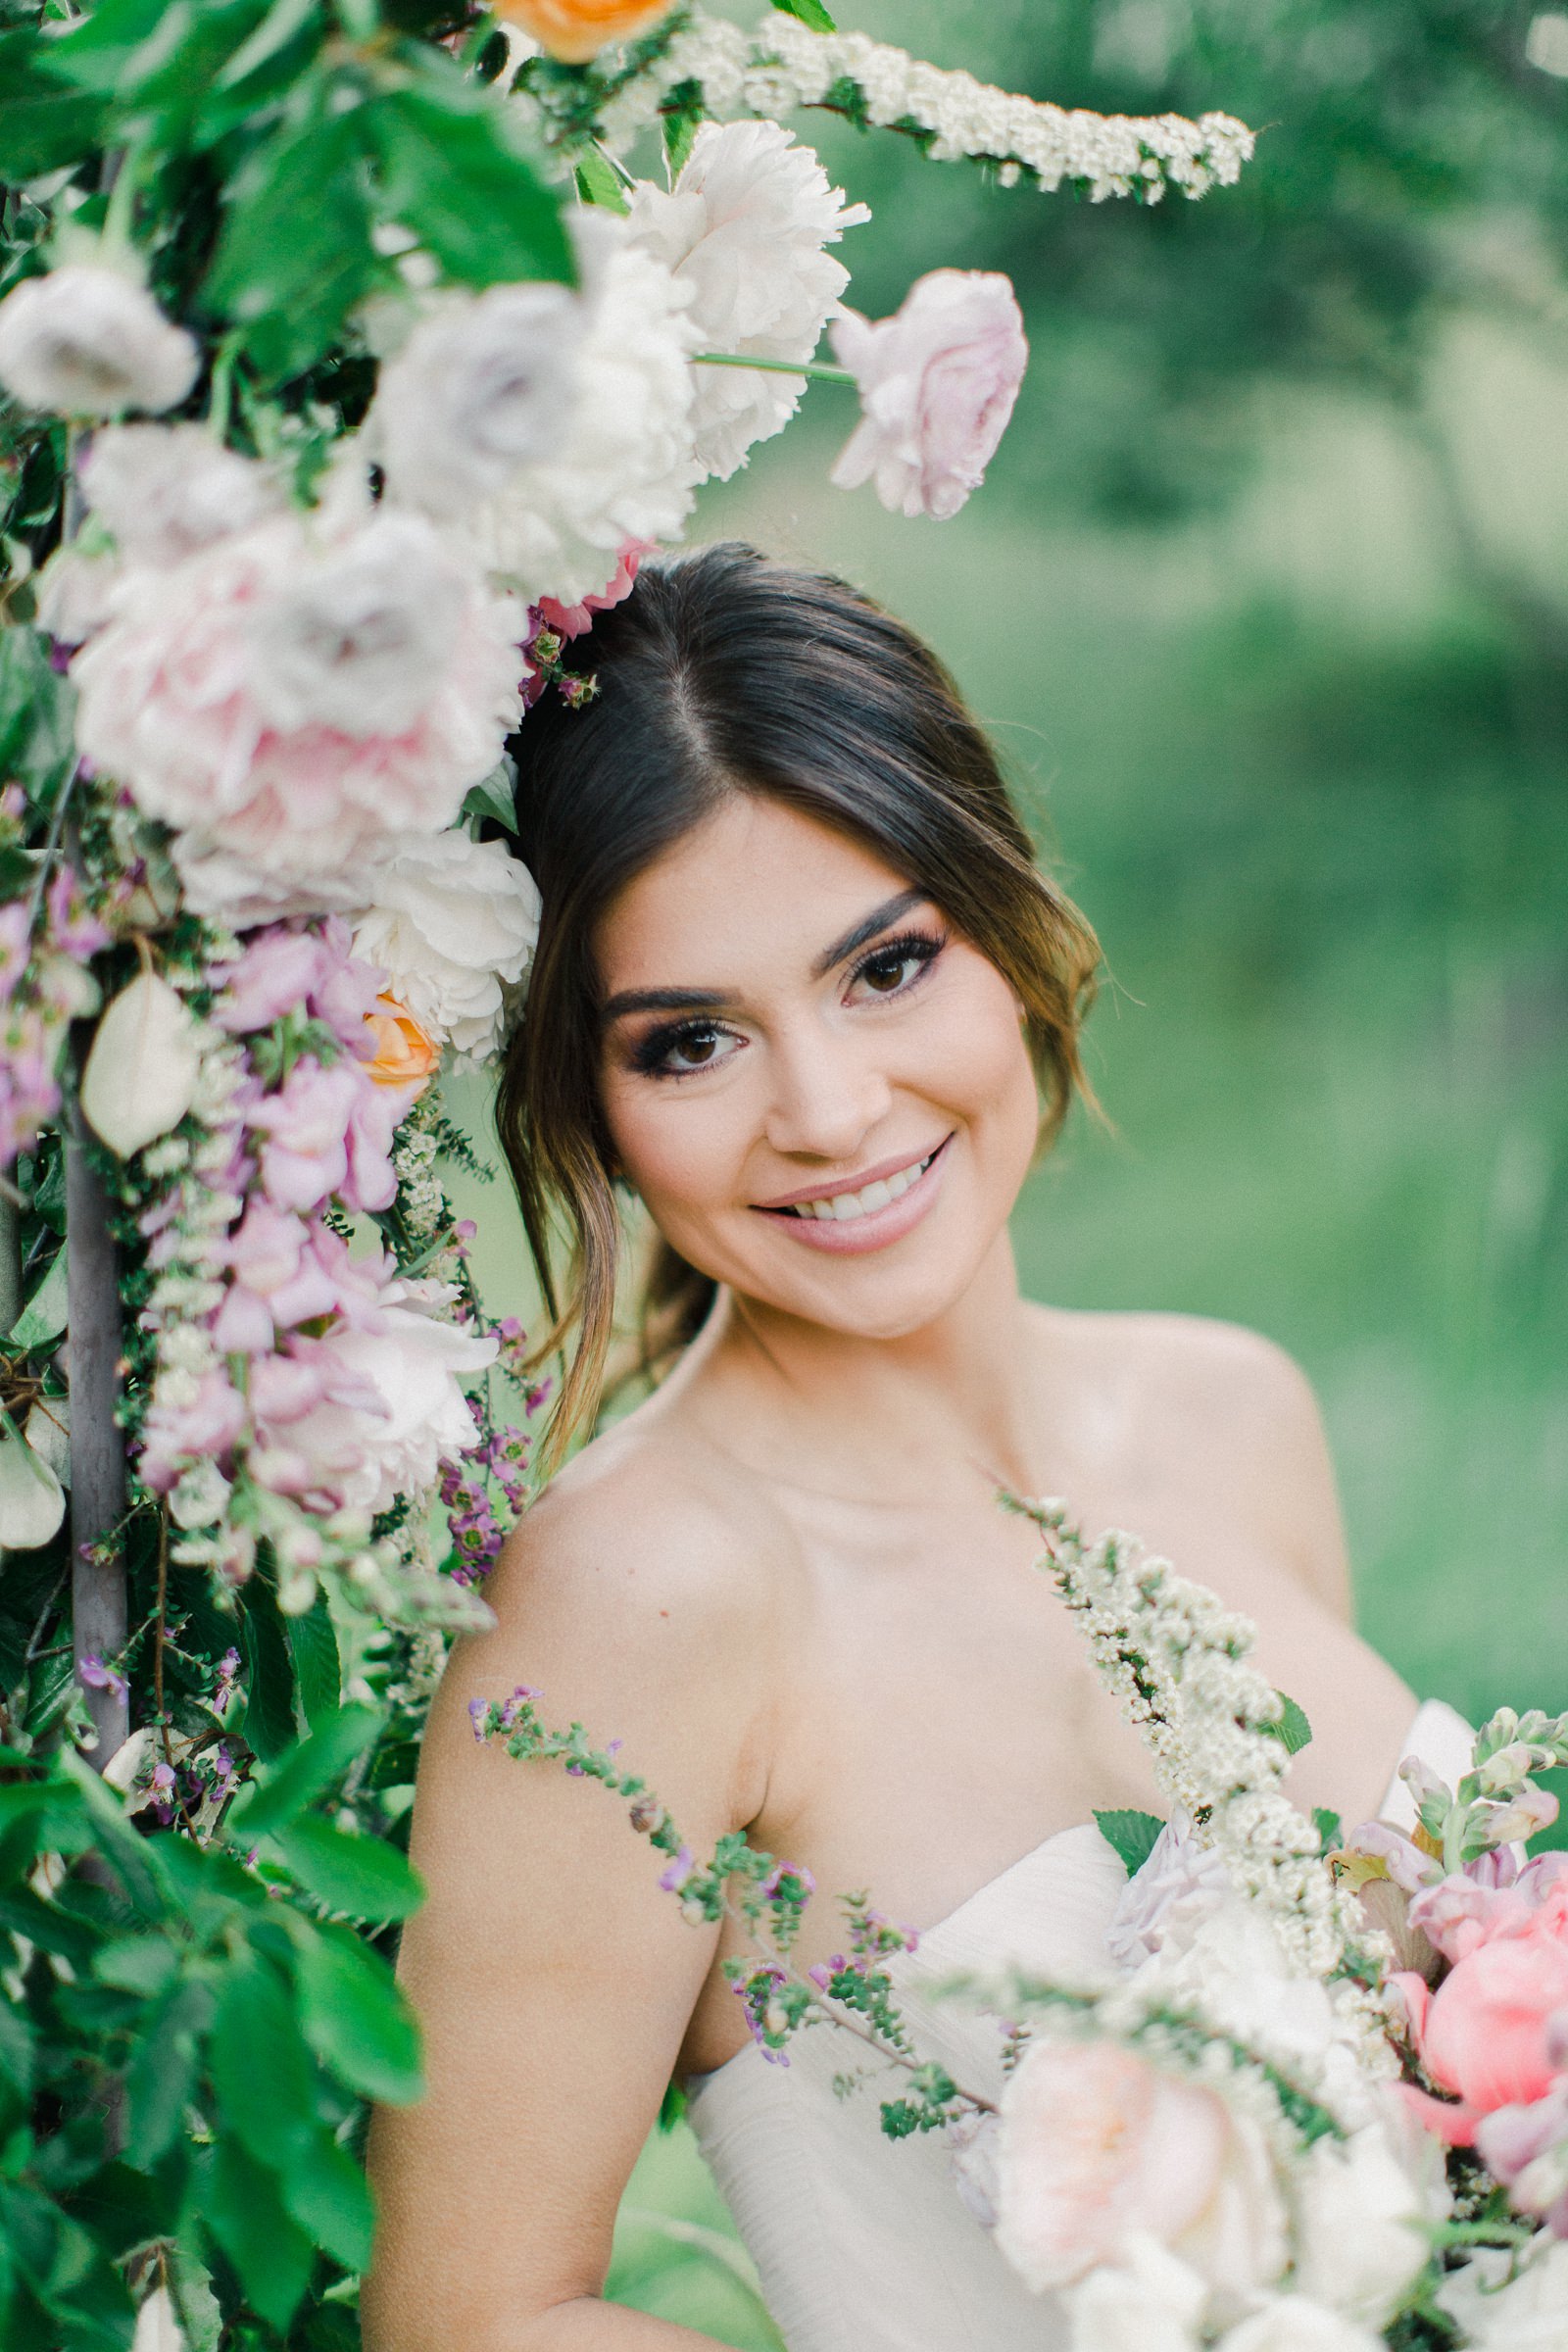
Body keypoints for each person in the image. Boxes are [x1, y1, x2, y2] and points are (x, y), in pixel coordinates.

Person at [363, 543, 1444, 2351]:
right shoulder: (631, 1600)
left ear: (1007, 923)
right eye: (692, 1040)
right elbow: (470, 2320)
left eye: (884, 966)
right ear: (590, 1102)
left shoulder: (1232, 1414)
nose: (831, 1111)